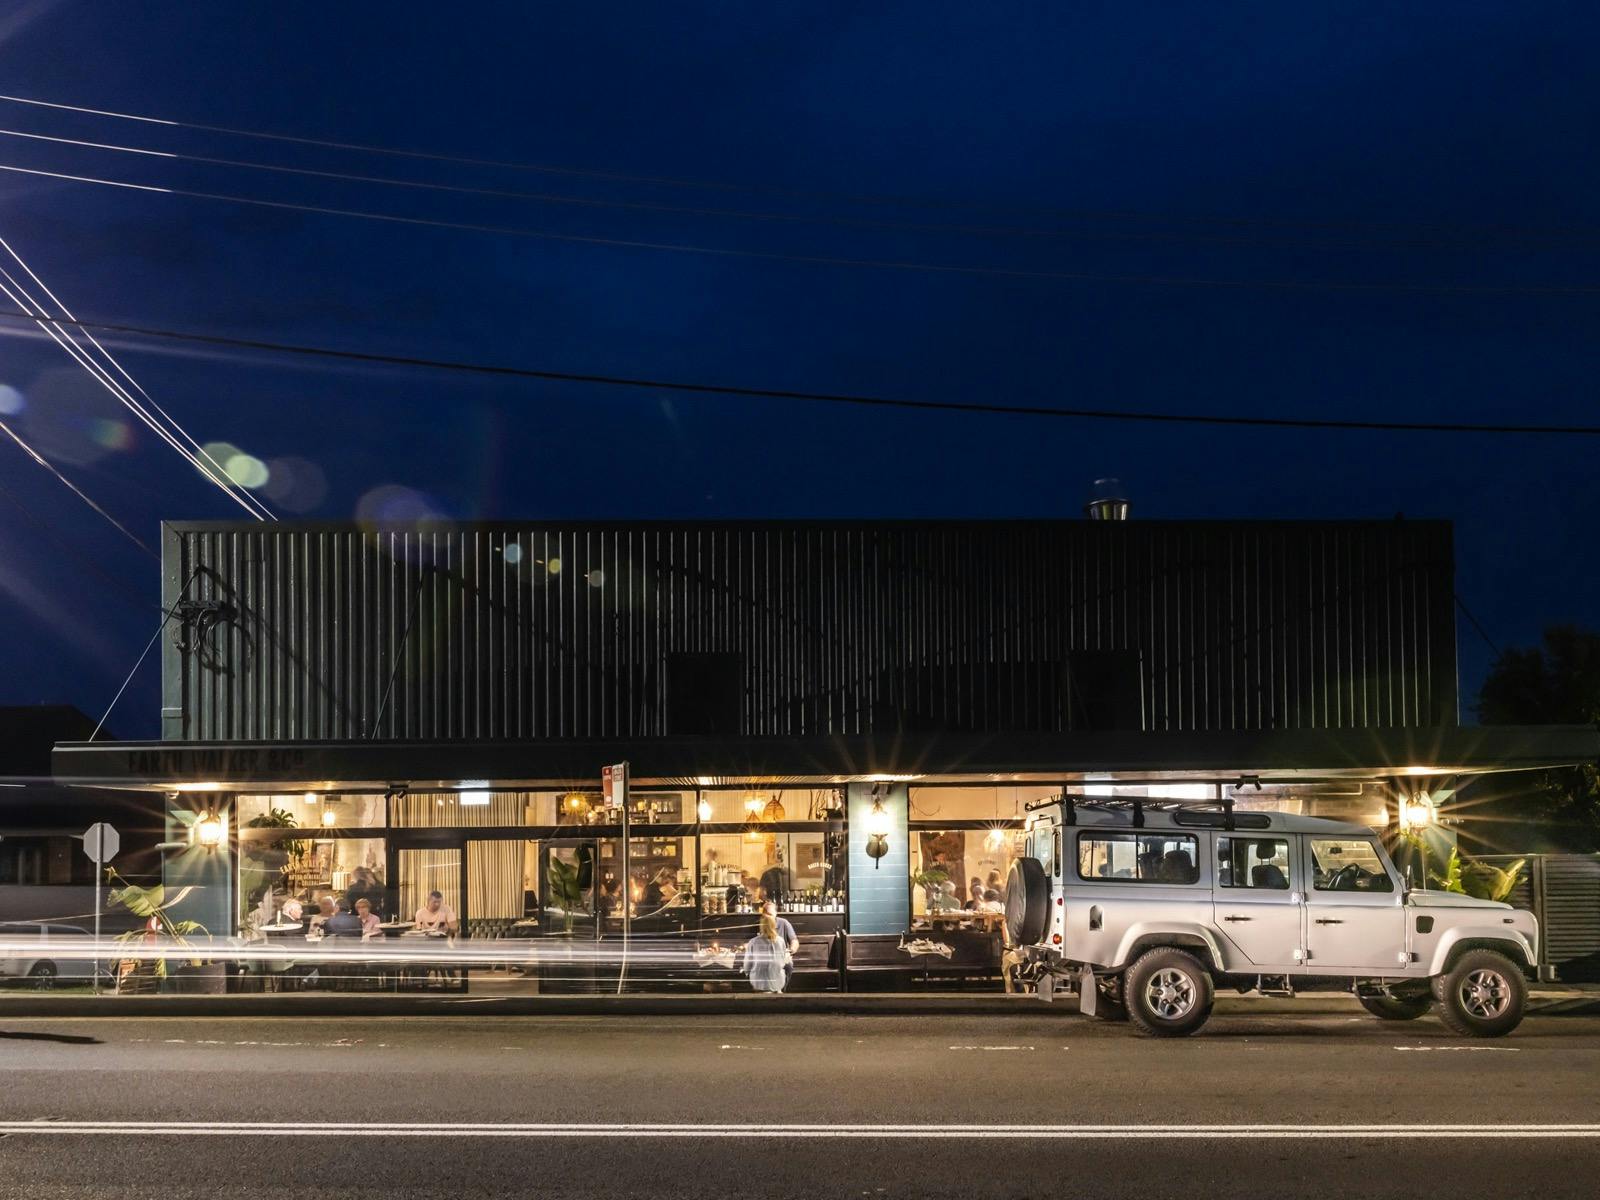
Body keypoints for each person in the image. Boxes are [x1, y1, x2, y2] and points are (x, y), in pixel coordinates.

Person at [741, 910, 787, 994]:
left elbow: (747, 965)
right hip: (778, 984)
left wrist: (746, 972)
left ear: (761, 926)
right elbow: (783, 961)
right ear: (774, 926)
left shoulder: (753, 942)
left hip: (758, 984)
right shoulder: (781, 941)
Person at [762, 900, 799, 990]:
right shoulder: (761, 924)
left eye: (770, 914)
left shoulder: (784, 923)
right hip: (765, 957)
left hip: (781, 956)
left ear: (775, 913)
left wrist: (791, 950)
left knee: (788, 966)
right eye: (766, 914)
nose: (768, 916)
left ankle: (782, 990)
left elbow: (794, 940)